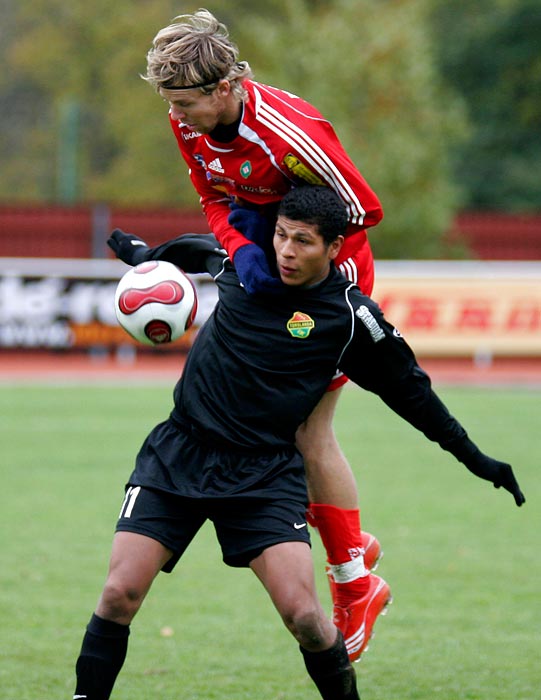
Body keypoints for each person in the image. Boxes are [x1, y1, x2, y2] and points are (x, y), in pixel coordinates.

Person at [73, 187, 525, 699]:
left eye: (302, 241)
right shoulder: (245, 264)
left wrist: (478, 460)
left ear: (334, 247)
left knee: (306, 617)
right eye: (281, 235)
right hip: (180, 454)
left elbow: (414, 396)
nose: (285, 250)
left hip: (265, 475)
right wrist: (141, 257)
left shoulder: (350, 317)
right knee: (118, 595)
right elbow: (197, 250)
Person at [142, 8, 387, 652]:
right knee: (270, 426)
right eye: (172, 105)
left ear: (225, 87)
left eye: (188, 103)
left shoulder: (285, 132)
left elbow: (364, 208)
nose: (179, 117)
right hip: (268, 275)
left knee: (307, 432)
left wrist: (273, 228)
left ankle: (354, 582)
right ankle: (350, 543)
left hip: (329, 284)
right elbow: (212, 193)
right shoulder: (185, 118)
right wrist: (240, 244)